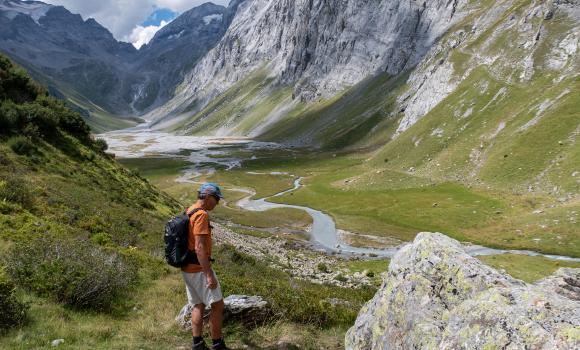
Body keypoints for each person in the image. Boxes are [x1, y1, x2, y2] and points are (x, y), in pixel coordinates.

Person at [182, 182, 229, 350]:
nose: (217, 202)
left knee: (198, 305)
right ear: (208, 197)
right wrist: (208, 274)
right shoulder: (201, 215)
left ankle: (198, 344)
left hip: (187, 268)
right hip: (199, 269)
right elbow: (200, 248)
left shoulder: (190, 210)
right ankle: (217, 344)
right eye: (216, 198)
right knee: (217, 305)